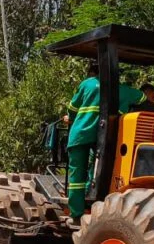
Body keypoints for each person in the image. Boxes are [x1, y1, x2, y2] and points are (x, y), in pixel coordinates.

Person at [63, 63, 146, 223]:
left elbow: (72, 108)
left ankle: (76, 214)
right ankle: (95, 207)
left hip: (80, 134)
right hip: (102, 137)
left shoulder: (87, 84)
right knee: (97, 171)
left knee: (77, 177)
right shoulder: (121, 90)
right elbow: (143, 97)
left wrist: (71, 119)